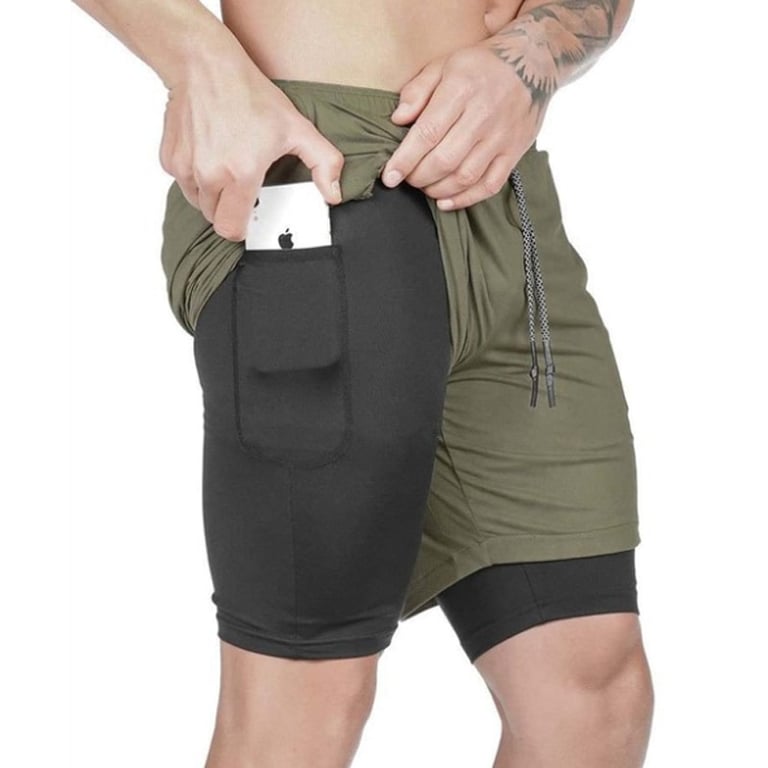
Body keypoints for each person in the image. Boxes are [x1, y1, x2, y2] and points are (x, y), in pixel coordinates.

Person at [72, 0, 655, 765]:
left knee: (590, 692)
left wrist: (528, 60)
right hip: (317, 173)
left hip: (501, 194)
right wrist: (199, 62)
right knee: (304, 705)